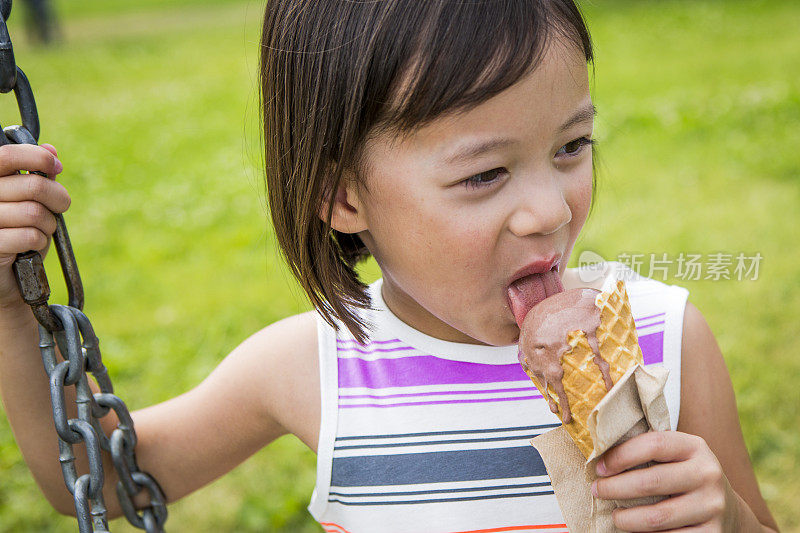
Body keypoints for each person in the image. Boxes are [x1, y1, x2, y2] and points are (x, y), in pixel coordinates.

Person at [0, 1, 781, 531]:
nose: (549, 210)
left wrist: (728, 519)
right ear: (341, 195)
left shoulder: (667, 337)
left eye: (571, 146)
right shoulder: (315, 366)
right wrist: (11, 306)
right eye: (484, 174)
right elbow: (103, 480)